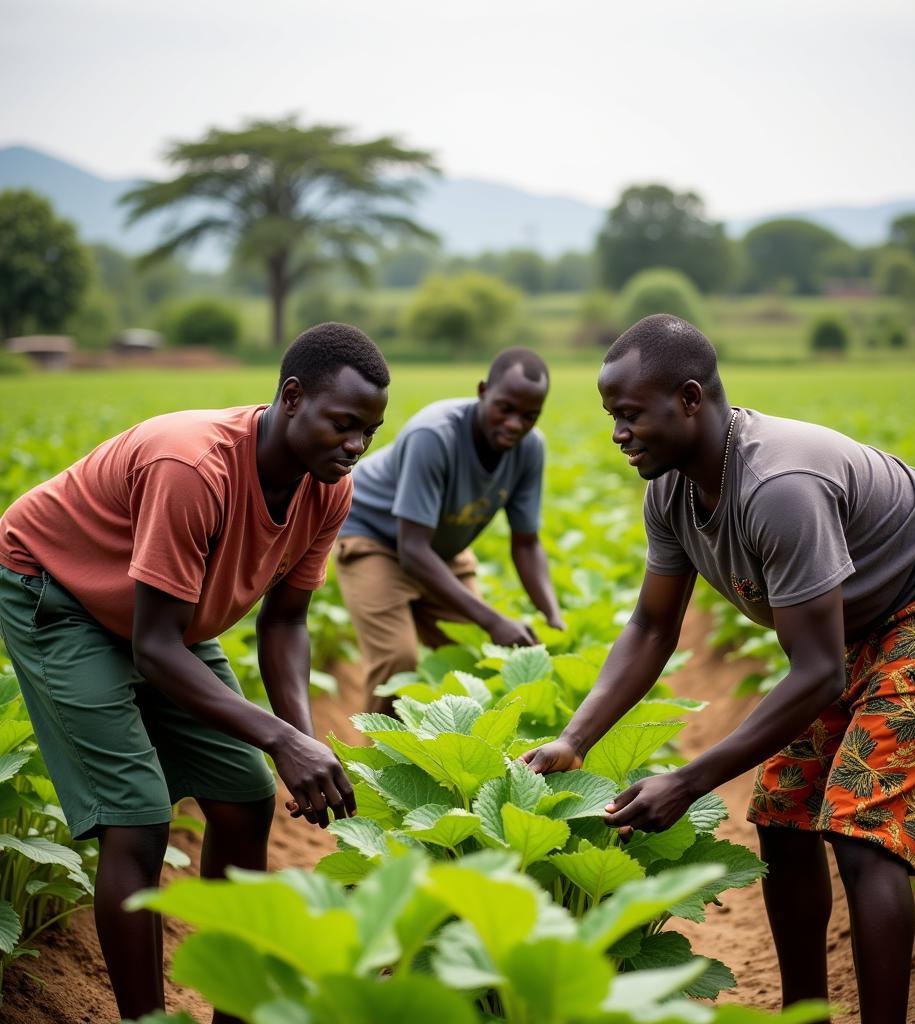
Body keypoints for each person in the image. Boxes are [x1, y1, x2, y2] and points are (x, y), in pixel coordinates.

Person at [522, 315, 915, 1024]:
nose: (618, 433)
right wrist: (576, 738)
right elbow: (653, 625)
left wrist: (690, 781)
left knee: (861, 827)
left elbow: (816, 675)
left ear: (689, 399)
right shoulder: (672, 491)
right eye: (611, 417)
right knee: (784, 811)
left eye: (629, 415)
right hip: (851, 621)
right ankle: (802, 1015)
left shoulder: (778, 486)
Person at [0, 322, 390, 1023]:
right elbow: (153, 648)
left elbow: (285, 622)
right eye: (344, 423)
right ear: (293, 398)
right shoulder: (193, 467)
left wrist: (300, 740)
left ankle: (233, 1009)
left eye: (369, 430)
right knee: (139, 816)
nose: (356, 444)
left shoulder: (329, 488)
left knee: (243, 795)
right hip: (57, 590)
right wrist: (280, 739)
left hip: (165, 617)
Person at [336, 347, 564, 713]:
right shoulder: (434, 435)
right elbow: (412, 550)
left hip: (440, 548)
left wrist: (553, 614)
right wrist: (493, 619)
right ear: (483, 391)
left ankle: (449, 750)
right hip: (374, 535)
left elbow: (526, 543)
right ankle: (374, 766)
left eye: (529, 416)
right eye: (505, 408)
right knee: (398, 661)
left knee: (473, 657)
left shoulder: (529, 450)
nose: (515, 424)